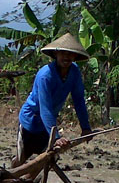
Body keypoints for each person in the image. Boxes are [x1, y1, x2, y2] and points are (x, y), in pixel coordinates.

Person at [12, 33, 93, 168]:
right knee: (22, 158)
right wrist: (56, 137)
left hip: (47, 124)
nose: (66, 57)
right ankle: (11, 176)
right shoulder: (46, 75)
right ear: (56, 54)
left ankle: (29, 181)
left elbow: (79, 100)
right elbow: (45, 109)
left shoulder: (74, 72)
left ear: (75, 56)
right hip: (31, 120)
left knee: (48, 158)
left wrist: (85, 128)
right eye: (63, 53)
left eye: (70, 54)